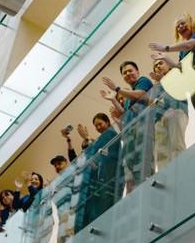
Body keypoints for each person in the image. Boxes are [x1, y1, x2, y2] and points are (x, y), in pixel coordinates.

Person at [102, 61, 155, 195]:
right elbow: (126, 115)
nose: (127, 74)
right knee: (133, 167)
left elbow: (139, 95)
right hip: (132, 136)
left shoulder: (143, 81)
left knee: (144, 162)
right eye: (124, 73)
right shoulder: (127, 99)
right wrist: (113, 100)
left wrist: (117, 89)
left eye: (130, 70)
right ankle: (140, 192)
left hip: (144, 128)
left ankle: (148, 189)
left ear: (137, 72)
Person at [75, 114, 120, 229]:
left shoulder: (109, 133)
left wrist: (86, 138)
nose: (98, 127)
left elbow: (99, 153)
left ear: (107, 122)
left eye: (100, 124)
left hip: (110, 175)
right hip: (106, 175)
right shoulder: (104, 136)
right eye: (96, 126)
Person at [149, 58, 189, 170]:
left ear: (169, 66)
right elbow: (151, 104)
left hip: (176, 111)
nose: (158, 67)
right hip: (159, 119)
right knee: (161, 154)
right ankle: (165, 178)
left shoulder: (176, 75)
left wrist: (163, 80)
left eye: (160, 63)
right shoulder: (157, 86)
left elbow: (181, 90)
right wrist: (155, 84)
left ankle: (182, 171)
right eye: (155, 66)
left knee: (177, 146)